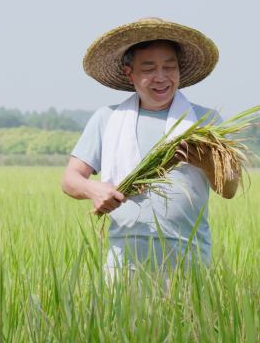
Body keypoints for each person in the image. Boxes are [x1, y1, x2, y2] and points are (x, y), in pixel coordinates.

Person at [61, 18, 239, 276]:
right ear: (129, 72)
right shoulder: (107, 119)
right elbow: (70, 179)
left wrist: (205, 163)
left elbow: (231, 188)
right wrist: (94, 190)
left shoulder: (204, 122)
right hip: (123, 264)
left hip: (189, 264)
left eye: (170, 67)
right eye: (149, 68)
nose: (161, 77)